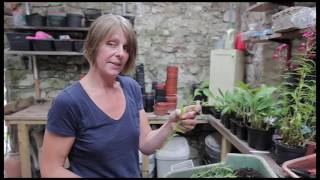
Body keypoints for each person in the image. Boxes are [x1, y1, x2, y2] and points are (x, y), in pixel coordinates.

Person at [40, 14, 201, 178]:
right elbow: (51, 170)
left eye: (126, 48)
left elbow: (145, 143)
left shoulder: (131, 88)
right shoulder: (69, 102)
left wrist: (170, 125)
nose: (121, 53)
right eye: (111, 44)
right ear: (93, 46)